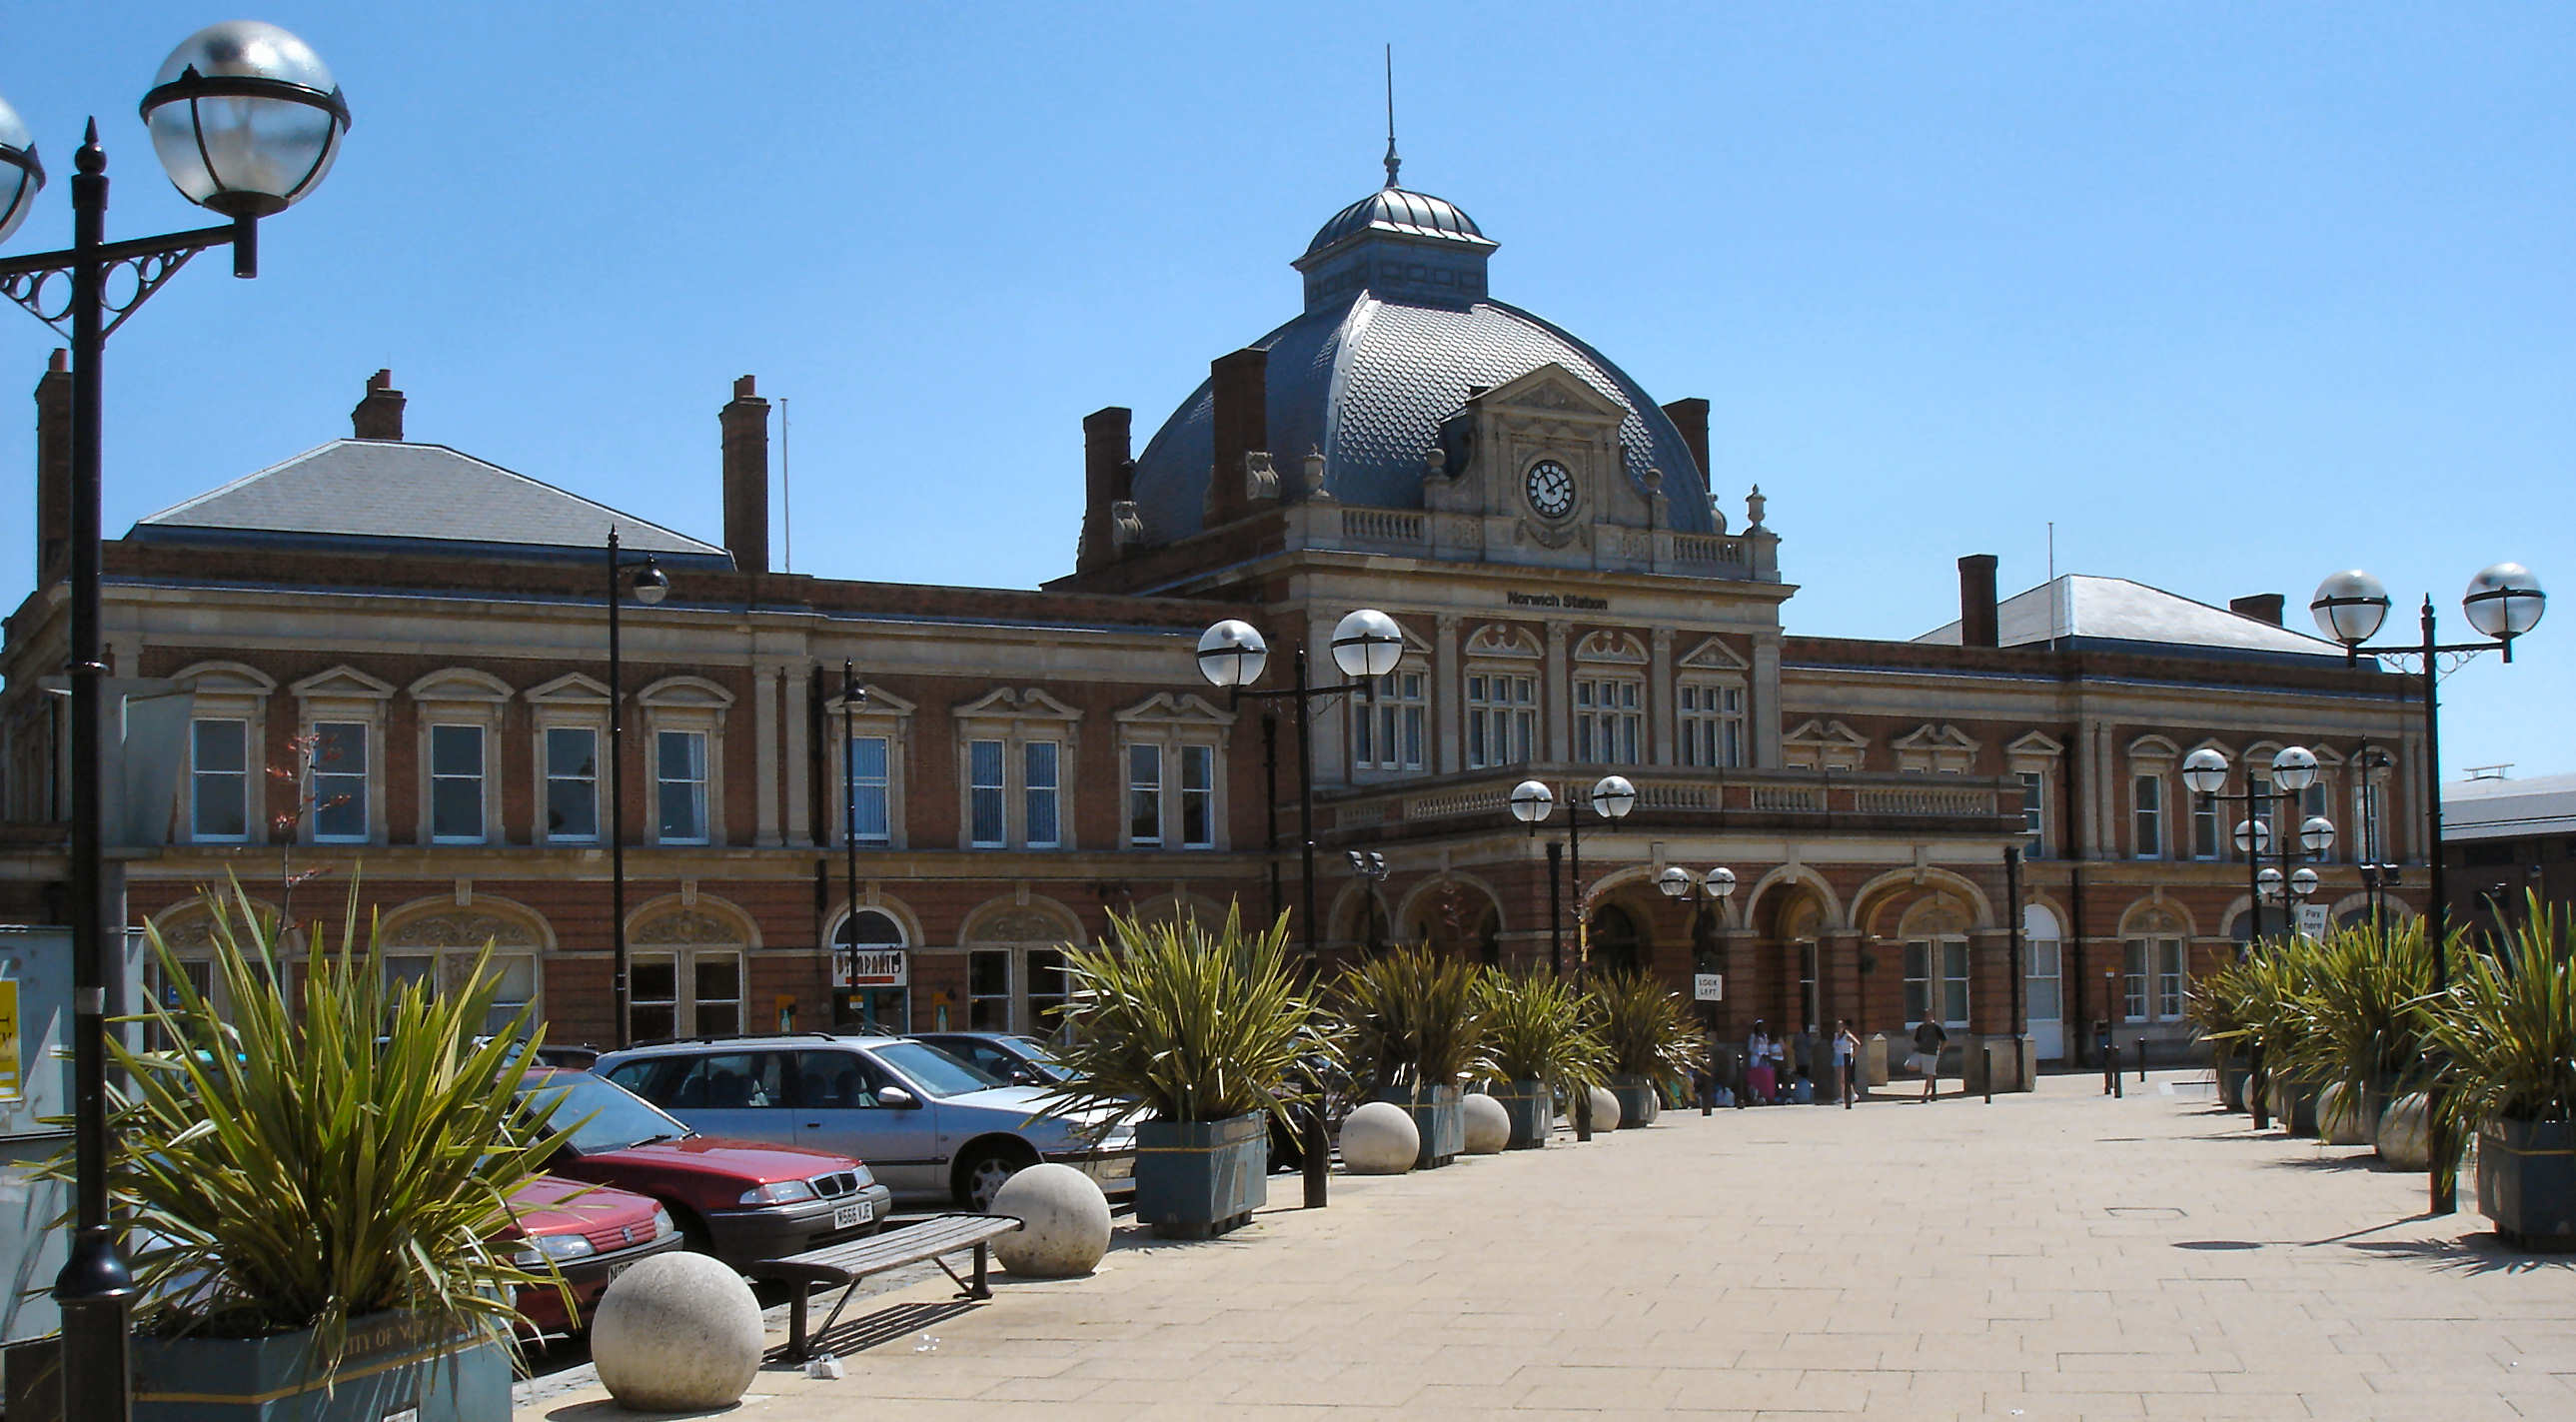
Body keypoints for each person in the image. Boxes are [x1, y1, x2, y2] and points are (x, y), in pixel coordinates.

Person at [1912, 1015, 1948, 1101]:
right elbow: (1917, 1040)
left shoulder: (1936, 1027)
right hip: (1921, 1052)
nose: (1927, 1018)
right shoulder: (1920, 1028)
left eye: (1928, 1016)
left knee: (1929, 1074)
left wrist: (1940, 1051)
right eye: (1925, 1017)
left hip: (1932, 1053)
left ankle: (1925, 1094)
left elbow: (1944, 1040)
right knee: (1908, 1065)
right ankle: (1924, 1067)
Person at [1833, 1019, 1862, 1104]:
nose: (1839, 1028)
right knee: (1840, 1079)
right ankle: (1844, 1096)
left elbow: (1858, 1044)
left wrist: (1853, 1055)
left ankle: (1849, 1095)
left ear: (1844, 1027)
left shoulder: (1847, 1036)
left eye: (1841, 1026)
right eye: (1837, 1026)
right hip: (1837, 1057)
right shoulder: (1836, 1036)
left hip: (1845, 1057)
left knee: (1844, 1078)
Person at [1747, 1021, 1775, 1104]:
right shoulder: (1753, 1036)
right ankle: (1755, 1097)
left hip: (1764, 1058)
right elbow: (1750, 1048)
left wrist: (1766, 1054)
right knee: (1756, 1078)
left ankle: (1767, 1096)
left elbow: (1766, 1047)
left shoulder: (1765, 1036)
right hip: (1756, 1059)